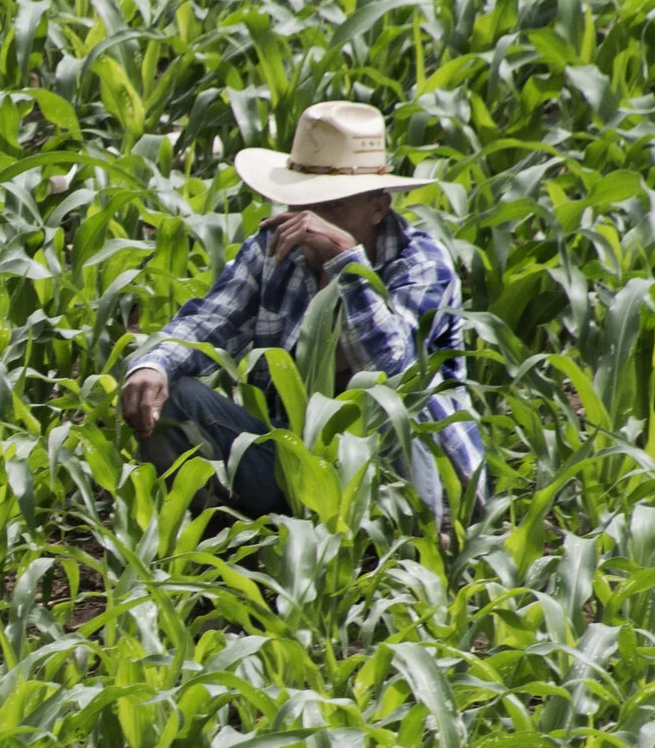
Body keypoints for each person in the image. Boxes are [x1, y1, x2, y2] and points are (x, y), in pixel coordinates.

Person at [118, 100, 484, 521]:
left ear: (378, 207)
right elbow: (209, 321)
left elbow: (394, 372)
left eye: (332, 207)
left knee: (395, 411)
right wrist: (153, 366)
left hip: (406, 482)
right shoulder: (275, 248)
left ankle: (419, 545)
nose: (311, 222)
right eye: (301, 204)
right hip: (296, 465)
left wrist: (346, 264)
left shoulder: (420, 264)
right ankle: (241, 541)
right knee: (171, 398)